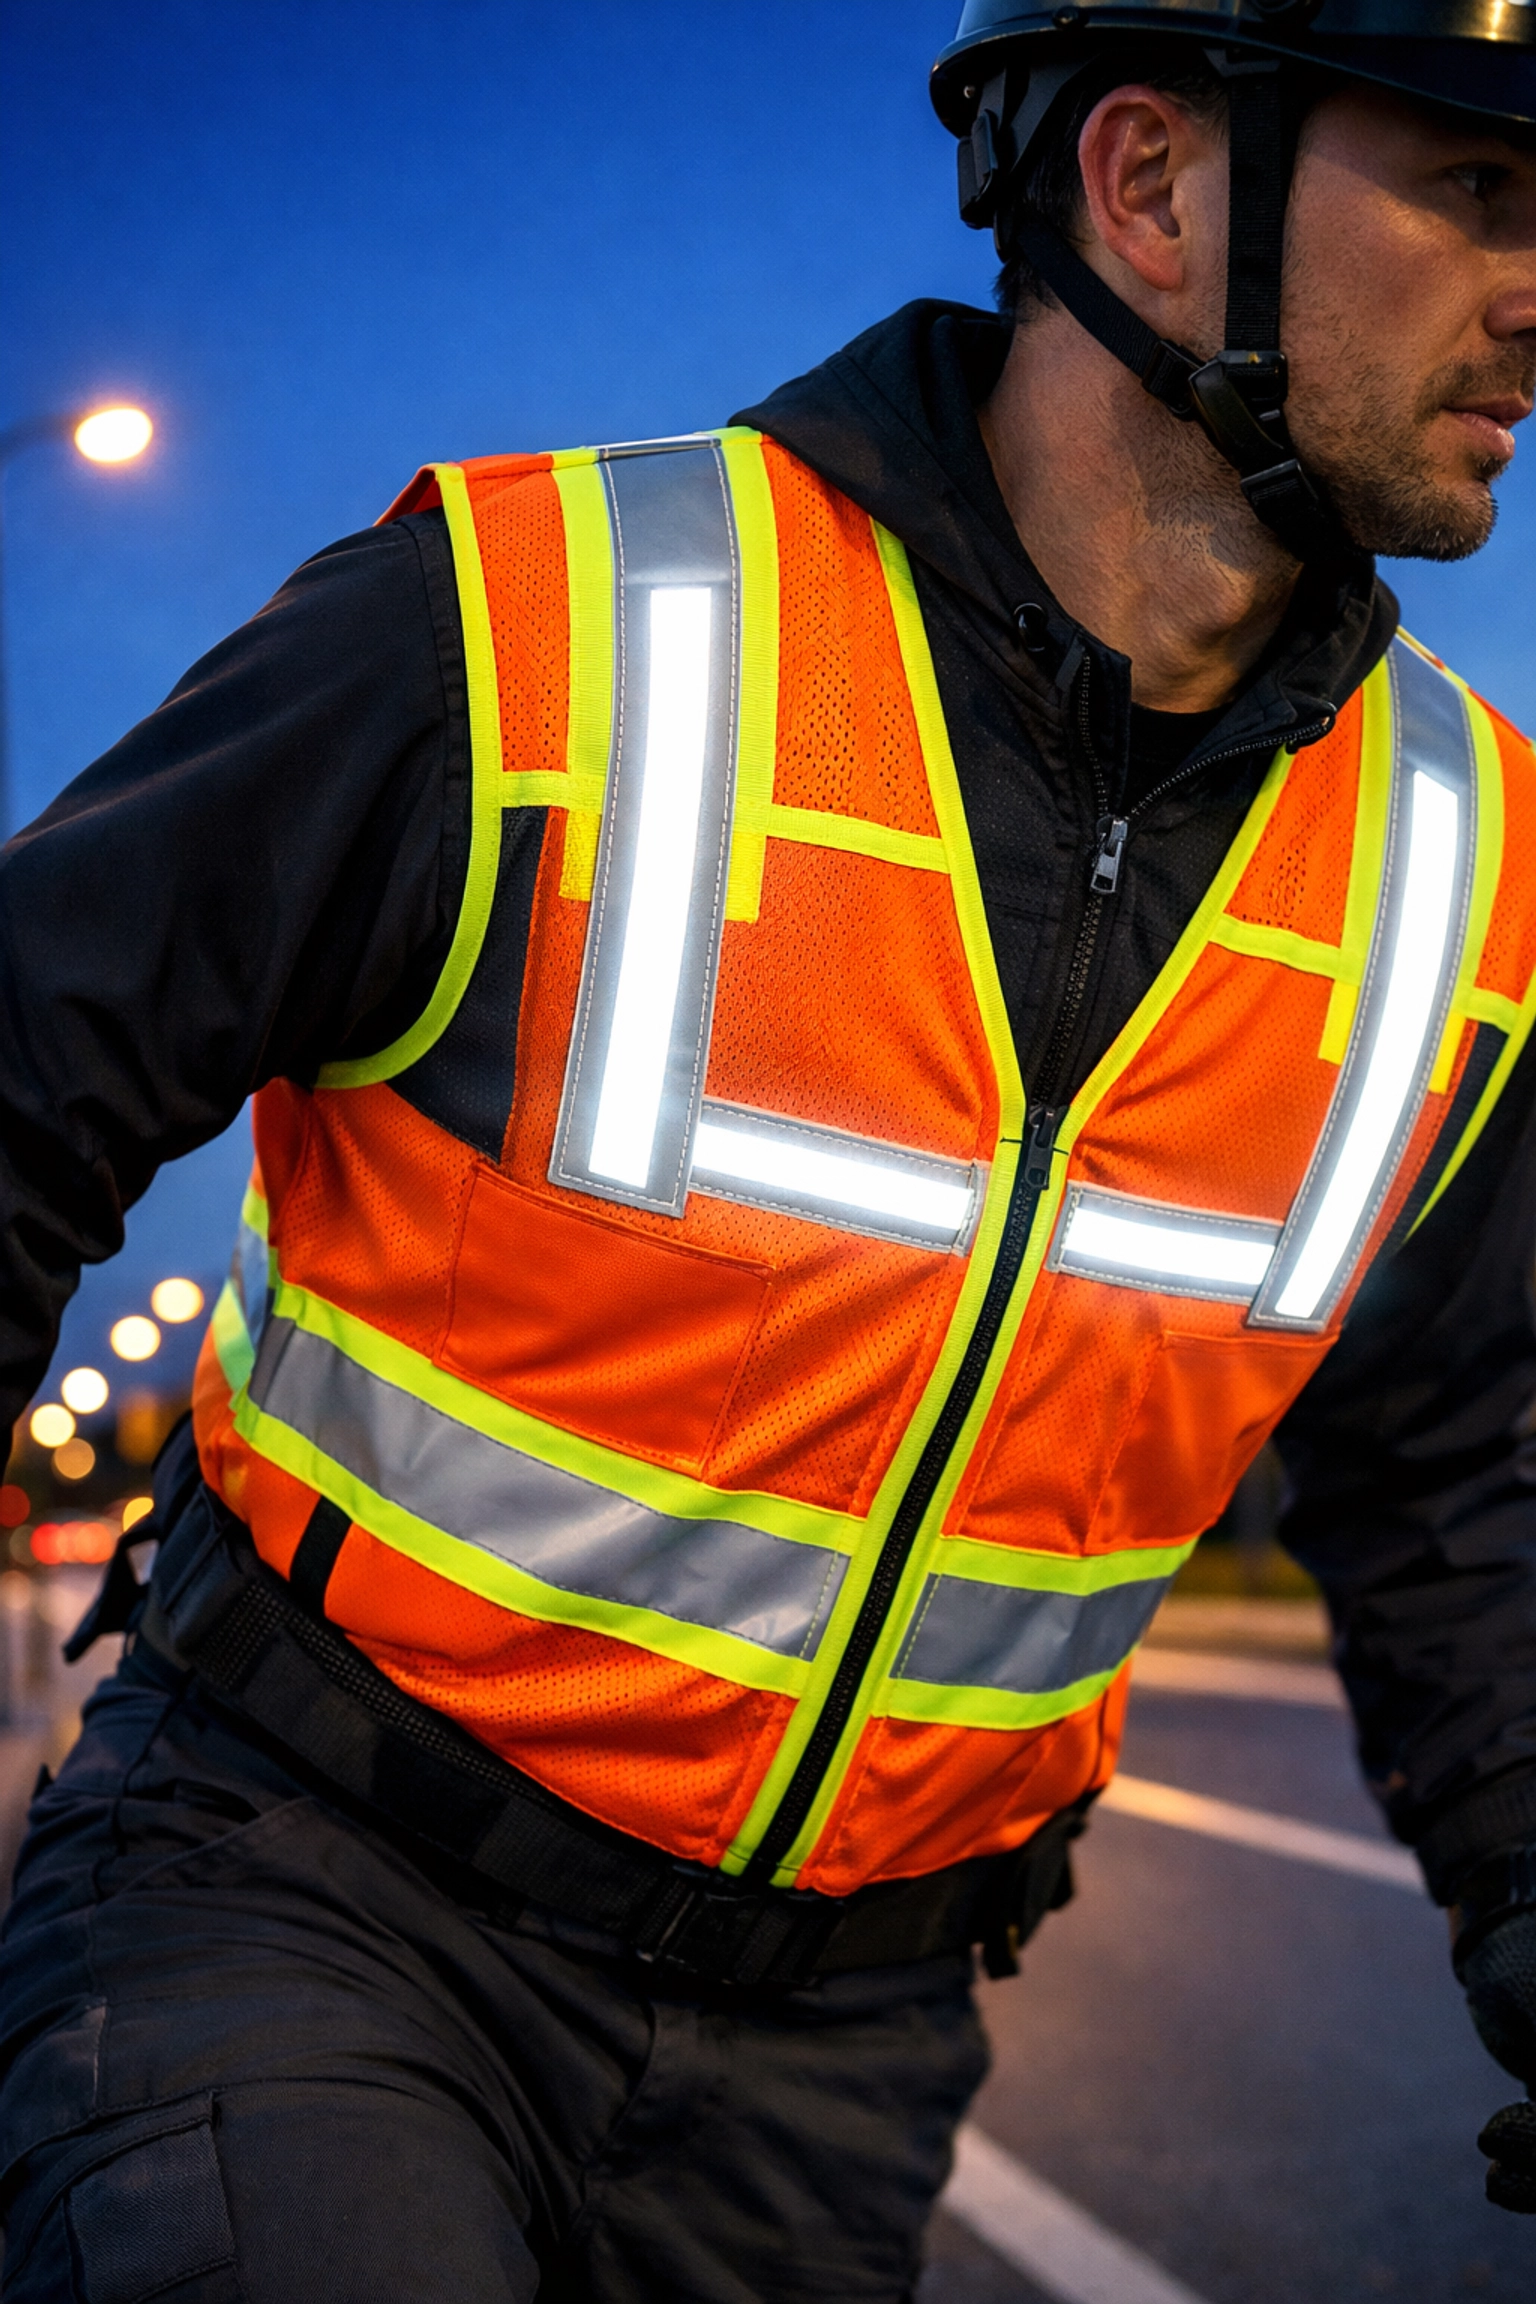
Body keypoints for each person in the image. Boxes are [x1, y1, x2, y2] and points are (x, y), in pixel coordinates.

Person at [4, 3, 1536, 2294]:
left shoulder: (1471, 869)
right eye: (1481, 190)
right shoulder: (529, 628)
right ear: (1147, 185)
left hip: (841, 2064)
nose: (1534, 287)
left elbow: (1461, 1488)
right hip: (299, 1895)